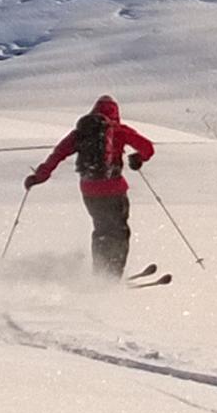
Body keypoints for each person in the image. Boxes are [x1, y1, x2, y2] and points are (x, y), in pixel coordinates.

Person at [25, 95, 156, 279]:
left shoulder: (80, 133)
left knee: (101, 230)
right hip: (114, 189)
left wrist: (39, 176)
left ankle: (100, 273)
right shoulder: (118, 130)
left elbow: (58, 154)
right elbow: (148, 147)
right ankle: (112, 276)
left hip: (89, 191)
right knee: (119, 232)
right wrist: (138, 159)